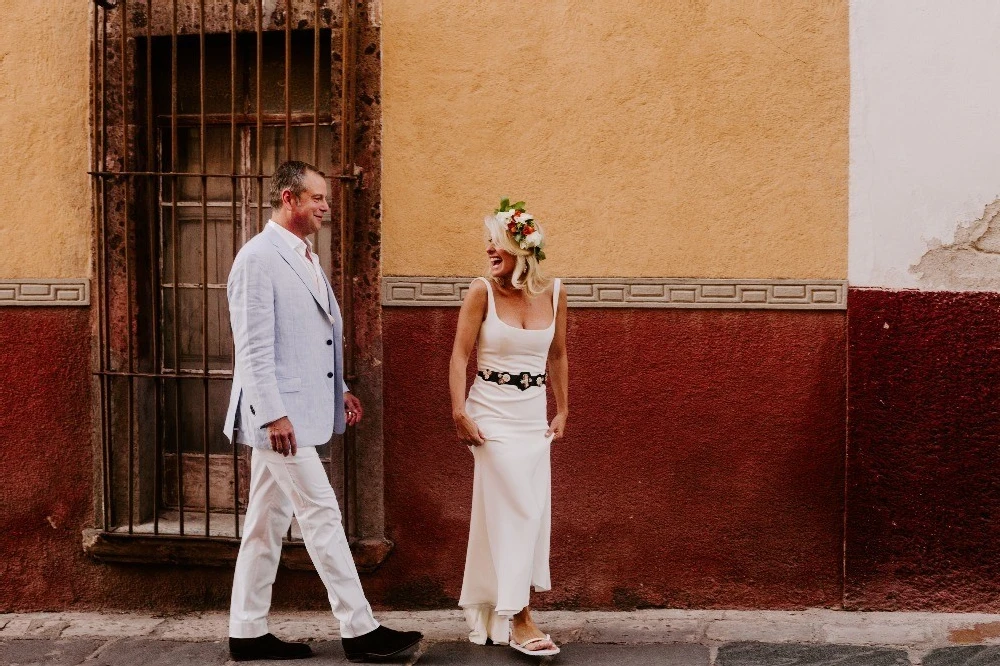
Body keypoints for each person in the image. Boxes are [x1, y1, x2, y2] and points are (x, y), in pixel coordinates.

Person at [223, 160, 422, 662]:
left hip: (298, 413)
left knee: (265, 524)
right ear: (289, 198)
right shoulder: (257, 258)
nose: (325, 207)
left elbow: (310, 338)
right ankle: (359, 630)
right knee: (322, 515)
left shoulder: (304, 256)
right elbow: (252, 349)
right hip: (279, 422)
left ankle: (246, 632)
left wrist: (341, 391)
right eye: (317, 199)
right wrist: (271, 415)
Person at [450, 199, 569, 657]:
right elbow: (460, 356)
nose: (488, 249)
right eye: (489, 241)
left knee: (526, 510)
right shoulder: (481, 291)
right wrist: (459, 412)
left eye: (496, 241)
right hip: (490, 417)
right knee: (518, 507)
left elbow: (557, 356)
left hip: (531, 416)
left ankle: (497, 603)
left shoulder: (555, 293)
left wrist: (563, 410)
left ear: (523, 246)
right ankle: (519, 617)